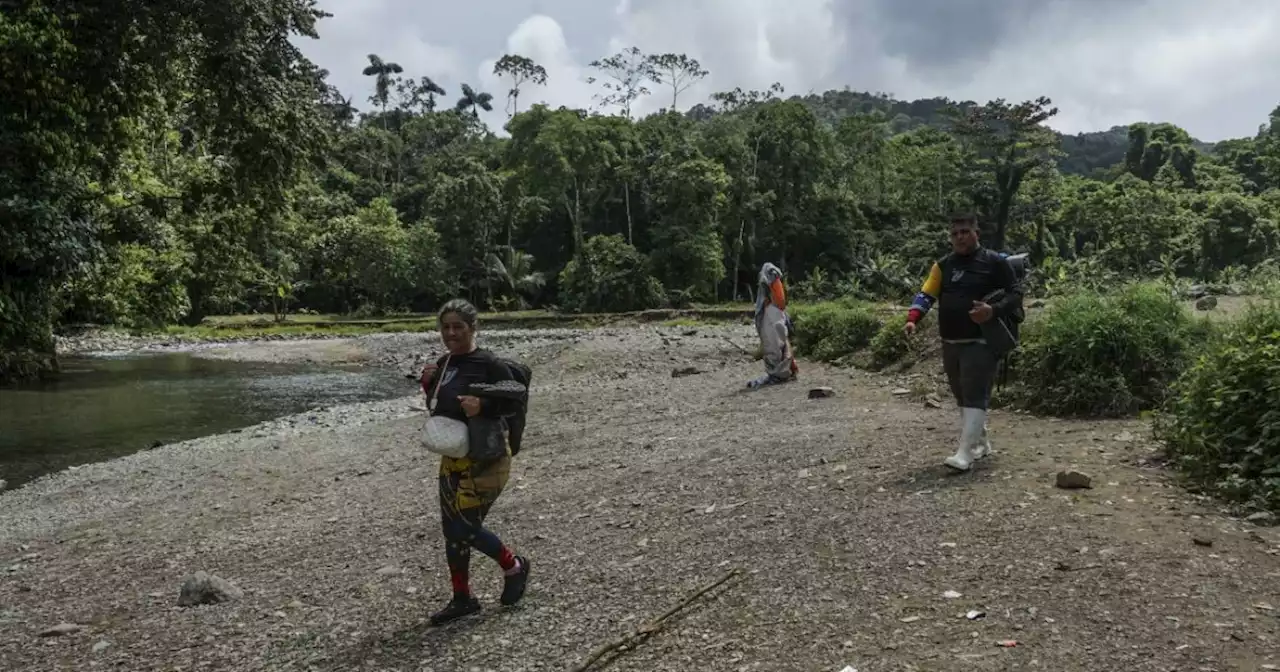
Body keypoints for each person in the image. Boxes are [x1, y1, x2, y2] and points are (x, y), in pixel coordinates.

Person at [418, 299, 530, 624]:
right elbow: (440, 405)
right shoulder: (445, 362)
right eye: (446, 327)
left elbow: (515, 396)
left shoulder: (488, 363)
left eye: (458, 327)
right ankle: (462, 598)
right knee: (451, 531)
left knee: (464, 527)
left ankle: (514, 566)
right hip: (453, 460)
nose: (451, 333)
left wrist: (483, 405)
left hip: (486, 458)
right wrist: (429, 384)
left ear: (472, 328)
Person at [903, 214, 1023, 472]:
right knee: (961, 394)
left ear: (976, 232)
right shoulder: (944, 265)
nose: (960, 237)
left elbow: (1016, 293)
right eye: (955, 233)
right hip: (950, 340)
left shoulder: (994, 262)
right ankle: (980, 443)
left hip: (982, 339)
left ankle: (964, 454)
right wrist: (913, 318)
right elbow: (927, 293)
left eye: (965, 231)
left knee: (974, 393)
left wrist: (992, 310)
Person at [748, 262, 800, 389]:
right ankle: (785, 371)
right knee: (780, 344)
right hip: (775, 315)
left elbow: (780, 302)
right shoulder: (774, 283)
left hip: (774, 316)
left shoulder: (774, 281)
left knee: (777, 345)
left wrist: (769, 306)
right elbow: (781, 303)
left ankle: (780, 373)